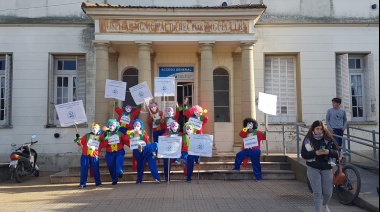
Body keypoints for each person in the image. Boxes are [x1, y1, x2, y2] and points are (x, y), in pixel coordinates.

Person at [301, 120, 340, 212]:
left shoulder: (329, 138)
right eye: (317, 129)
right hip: (313, 168)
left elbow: (337, 152)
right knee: (317, 193)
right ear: (313, 129)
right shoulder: (308, 140)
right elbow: (304, 154)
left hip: (326, 168)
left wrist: (329, 152)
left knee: (328, 193)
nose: (319, 131)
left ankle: (324, 204)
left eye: (321, 129)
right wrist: (315, 153)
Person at [232, 118, 266, 182]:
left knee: (256, 164)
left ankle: (258, 178)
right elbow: (241, 134)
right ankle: (237, 168)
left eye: (251, 124)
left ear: (254, 124)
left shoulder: (258, 132)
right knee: (239, 155)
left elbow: (264, 137)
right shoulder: (245, 132)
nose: (249, 125)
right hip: (247, 150)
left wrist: (266, 132)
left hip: (255, 150)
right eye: (248, 124)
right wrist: (246, 128)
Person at [128, 119, 161, 184]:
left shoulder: (144, 132)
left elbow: (148, 141)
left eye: (138, 125)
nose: (136, 126)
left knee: (155, 146)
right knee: (140, 165)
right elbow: (128, 141)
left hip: (146, 150)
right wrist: (133, 134)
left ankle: (156, 178)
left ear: (140, 126)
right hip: (137, 151)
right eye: (135, 125)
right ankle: (139, 179)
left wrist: (151, 150)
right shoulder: (130, 133)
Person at [74, 123, 105, 188]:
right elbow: (80, 143)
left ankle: (98, 183)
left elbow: (104, 141)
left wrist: (104, 133)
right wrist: (77, 138)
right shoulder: (87, 135)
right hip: (85, 155)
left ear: (98, 129)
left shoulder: (100, 136)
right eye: (93, 128)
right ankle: (82, 183)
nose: (94, 129)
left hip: (94, 155)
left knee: (96, 170)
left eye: (95, 128)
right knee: (84, 169)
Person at [100, 119, 129, 185]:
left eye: (113, 125)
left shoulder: (119, 133)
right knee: (111, 165)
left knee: (119, 159)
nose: (111, 126)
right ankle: (114, 179)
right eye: (110, 125)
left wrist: (127, 134)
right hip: (109, 152)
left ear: (116, 126)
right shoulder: (106, 133)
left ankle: (119, 172)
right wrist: (104, 136)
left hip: (119, 151)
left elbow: (125, 140)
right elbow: (102, 142)